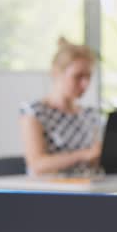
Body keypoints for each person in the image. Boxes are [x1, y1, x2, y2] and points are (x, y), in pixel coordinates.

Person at [20, 37, 102, 175]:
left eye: (88, 77)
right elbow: (36, 164)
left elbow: (95, 161)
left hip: (90, 188)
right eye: (78, 76)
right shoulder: (35, 112)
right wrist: (83, 155)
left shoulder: (89, 114)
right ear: (56, 73)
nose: (85, 84)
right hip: (53, 191)